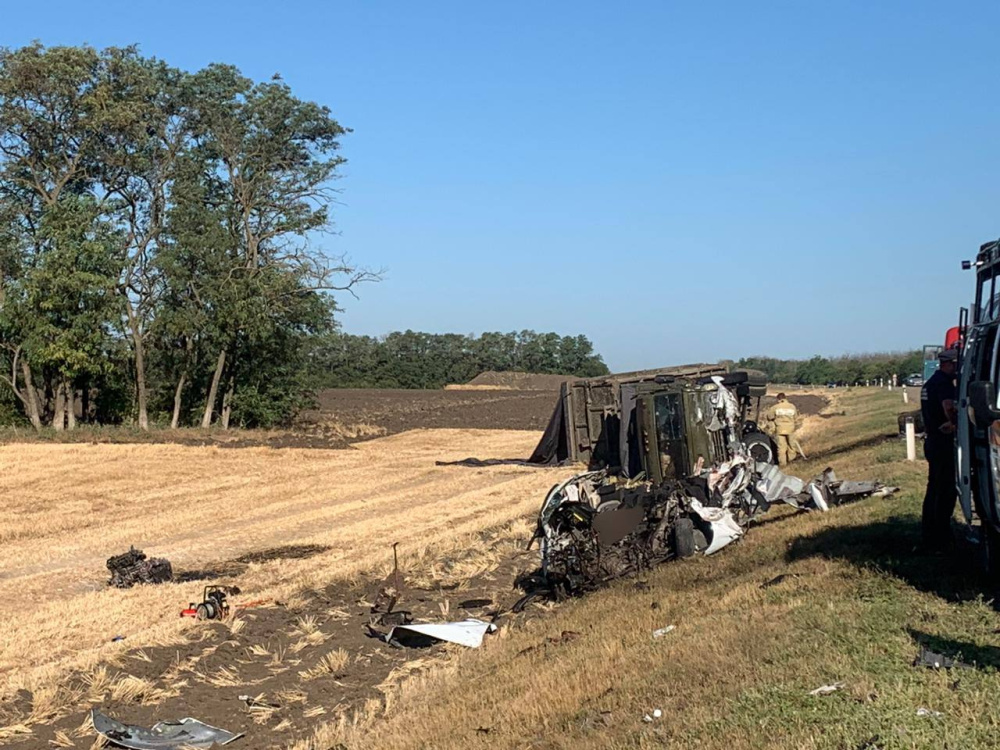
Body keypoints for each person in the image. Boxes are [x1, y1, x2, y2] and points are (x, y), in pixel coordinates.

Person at [920, 348, 959, 550]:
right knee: (945, 491)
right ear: (949, 364)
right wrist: (956, 423)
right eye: (956, 365)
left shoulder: (930, 383)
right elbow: (949, 408)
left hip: (933, 441)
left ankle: (931, 533)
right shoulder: (944, 384)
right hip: (942, 443)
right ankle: (940, 536)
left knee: (934, 488)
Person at [766, 393, 799, 466]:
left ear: (778, 399)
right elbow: (795, 417)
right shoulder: (792, 406)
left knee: (781, 447)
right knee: (791, 446)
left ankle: (783, 464)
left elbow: (769, 417)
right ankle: (792, 462)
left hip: (780, 429)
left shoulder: (775, 407)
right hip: (790, 428)